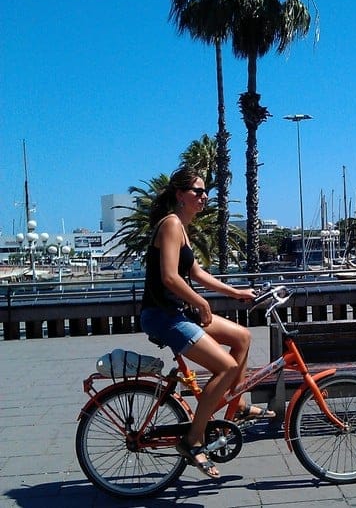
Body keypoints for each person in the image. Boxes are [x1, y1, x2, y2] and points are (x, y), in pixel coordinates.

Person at [140, 165, 274, 479]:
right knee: (226, 366)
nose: (204, 197)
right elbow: (170, 277)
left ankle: (234, 404)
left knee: (242, 337)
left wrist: (236, 292)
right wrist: (200, 301)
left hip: (176, 312)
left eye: (205, 192)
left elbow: (198, 274)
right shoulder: (171, 224)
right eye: (197, 191)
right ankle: (193, 440)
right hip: (163, 316)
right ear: (179, 195)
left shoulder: (182, 227)